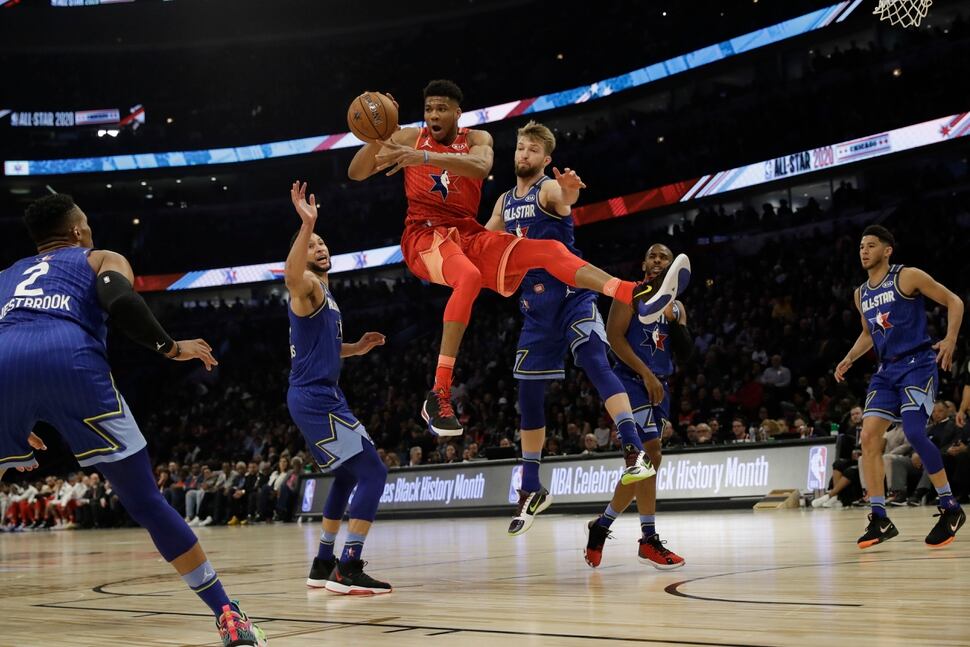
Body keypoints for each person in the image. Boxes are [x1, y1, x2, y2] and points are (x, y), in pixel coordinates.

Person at [348, 80, 687, 437]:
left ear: (457, 113)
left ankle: (632, 292)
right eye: (429, 108)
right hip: (423, 235)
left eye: (442, 108)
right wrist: (380, 133)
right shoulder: (407, 137)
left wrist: (425, 158)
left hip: (468, 233)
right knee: (468, 277)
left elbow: (480, 167)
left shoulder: (477, 138)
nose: (434, 114)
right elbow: (356, 172)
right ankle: (439, 394)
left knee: (549, 250)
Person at [0, 194, 265, 646]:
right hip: (72, 362)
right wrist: (172, 348)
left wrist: (11, 414)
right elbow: (121, 301)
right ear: (78, 230)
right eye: (87, 223)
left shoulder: (6, 276)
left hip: (5, 362)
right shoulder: (99, 257)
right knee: (145, 502)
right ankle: (228, 615)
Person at [482, 121, 667, 535]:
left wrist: (569, 192)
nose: (524, 154)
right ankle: (531, 487)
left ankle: (633, 449)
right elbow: (483, 241)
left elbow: (563, 199)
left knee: (594, 359)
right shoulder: (504, 201)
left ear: (545, 158)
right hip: (535, 308)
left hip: (571, 296)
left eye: (533, 150)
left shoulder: (547, 189)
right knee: (528, 395)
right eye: (521, 147)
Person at [284, 182, 391, 595]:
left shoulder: (327, 296)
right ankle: (348, 566)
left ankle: (323, 562)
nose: (319, 247)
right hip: (316, 397)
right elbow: (291, 276)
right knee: (374, 473)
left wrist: (356, 348)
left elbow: (322, 347)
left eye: (322, 242)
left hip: (314, 394)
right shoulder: (308, 286)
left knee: (346, 476)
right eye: (312, 245)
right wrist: (306, 225)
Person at [835, 225, 965, 548]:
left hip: (918, 364)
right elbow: (869, 333)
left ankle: (950, 507)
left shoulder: (907, 276)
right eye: (861, 246)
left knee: (915, 431)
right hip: (886, 371)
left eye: (871, 245)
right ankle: (879, 517)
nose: (864, 251)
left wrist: (950, 339)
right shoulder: (860, 293)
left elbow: (954, 301)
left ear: (887, 250)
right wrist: (849, 358)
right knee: (868, 436)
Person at [585, 244, 691, 569]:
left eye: (664, 257)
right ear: (644, 263)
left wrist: (675, 320)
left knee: (646, 464)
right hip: (631, 381)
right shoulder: (629, 293)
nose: (658, 260)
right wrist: (645, 374)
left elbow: (687, 353)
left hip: (660, 385)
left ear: (672, 268)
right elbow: (615, 339)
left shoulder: (676, 305)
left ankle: (602, 525)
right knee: (650, 454)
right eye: (652, 256)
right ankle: (648, 539)